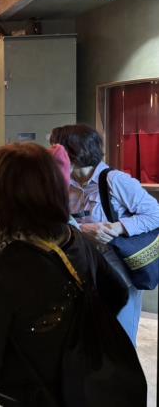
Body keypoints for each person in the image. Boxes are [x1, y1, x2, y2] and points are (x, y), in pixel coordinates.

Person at [0, 143, 128, 406]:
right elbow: (118, 293)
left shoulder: (3, 267)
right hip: (81, 388)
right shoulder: (76, 240)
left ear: (3, 198)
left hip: (28, 394)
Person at [56, 124, 159, 344]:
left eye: (58, 147)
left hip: (119, 275)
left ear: (74, 151)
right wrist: (83, 230)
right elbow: (60, 223)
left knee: (119, 340)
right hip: (82, 273)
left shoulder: (115, 180)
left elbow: (155, 214)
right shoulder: (65, 185)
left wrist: (117, 227)